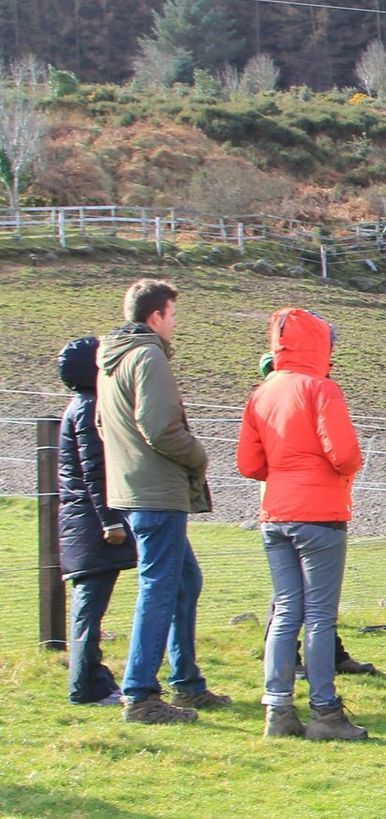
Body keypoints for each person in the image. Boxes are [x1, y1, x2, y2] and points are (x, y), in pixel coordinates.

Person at [99, 278, 227, 724]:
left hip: (133, 490)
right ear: (156, 316)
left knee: (185, 581)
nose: (174, 323)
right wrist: (200, 453)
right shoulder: (148, 356)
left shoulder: (110, 360)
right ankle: (140, 695)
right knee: (158, 588)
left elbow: (102, 424)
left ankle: (187, 682)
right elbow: (159, 428)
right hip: (157, 493)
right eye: (173, 314)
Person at [237, 307, 367, 741]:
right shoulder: (321, 388)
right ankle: (325, 711)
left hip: (275, 514)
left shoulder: (261, 392)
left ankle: (277, 709)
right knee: (319, 616)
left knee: (285, 612)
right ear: (320, 346)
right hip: (320, 514)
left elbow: (248, 464)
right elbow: (345, 454)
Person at [56, 335, 136, 707]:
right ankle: (85, 686)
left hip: (81, 523)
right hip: (92, 525)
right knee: (89, 608)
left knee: (89, 607)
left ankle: (93, 680)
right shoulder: (90, 408)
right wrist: (111, 521)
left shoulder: (79, 405)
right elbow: (95, 470)